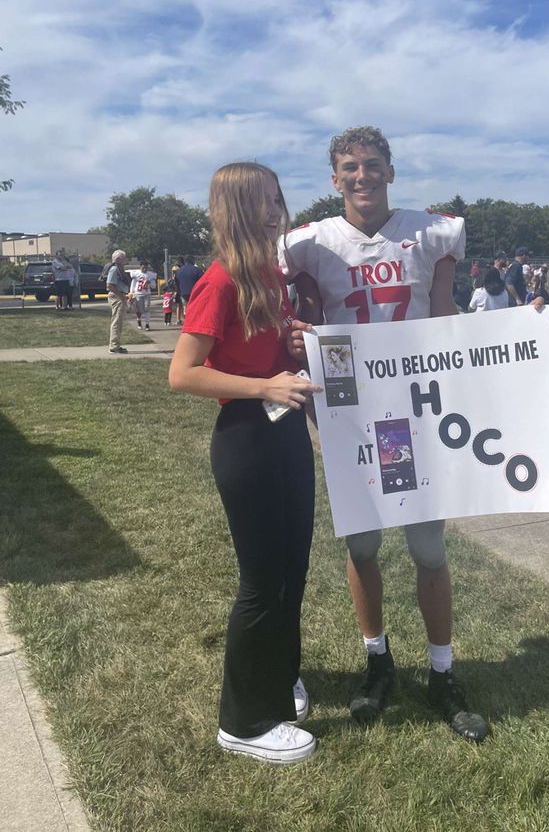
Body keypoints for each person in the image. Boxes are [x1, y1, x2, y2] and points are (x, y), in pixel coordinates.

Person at [280, 125, 488, 743]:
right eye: (349, 167)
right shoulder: (310, 242)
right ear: (334, 178)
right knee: (363, 545)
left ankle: (442, 672)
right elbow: (273, 298)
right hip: (352, 410)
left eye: (372, 164)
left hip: (414, 408)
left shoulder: (430, 232)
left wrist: (509, 341)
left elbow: (446, 319)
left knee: (428, 549)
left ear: (391, 170)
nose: (362, 175)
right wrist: (296, 334)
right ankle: (378, 660)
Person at [169, 162, 321, 764]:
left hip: (283, 436)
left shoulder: (267, 274)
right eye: (264, 199)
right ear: (236, 206)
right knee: (261, 582)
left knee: (293, 573)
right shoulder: (220, 279)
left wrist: (288, 343)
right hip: (246, 438)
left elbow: (259, 354)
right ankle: (243, 721)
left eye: (278, 197)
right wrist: (262, 388)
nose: (276, 208)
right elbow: (182, 373)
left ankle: (279, 682)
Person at [106, 250, 130, 354]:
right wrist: (122, 296)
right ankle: (114, 346)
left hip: (120, 296)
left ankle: (116, 344)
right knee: (116, 321)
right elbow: (110, 285)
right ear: (118, 259)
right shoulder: (114, 269)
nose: (126, 259)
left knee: (118, 322)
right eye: (124, 257)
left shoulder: (119, 269)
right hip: (117, 297)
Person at [129, 261, 156, 330]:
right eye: (143, 267)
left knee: (147, 309)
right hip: (138, 294)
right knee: (139, 310)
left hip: (147, 294)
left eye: (146, 267)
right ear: (140, 267)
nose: (144, 269)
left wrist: (149, 282)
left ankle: (147, 324)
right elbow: (133, 283)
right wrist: (131, 293)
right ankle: (139, 320)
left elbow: (154, 286)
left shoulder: (150, 274)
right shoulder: (136, 273)